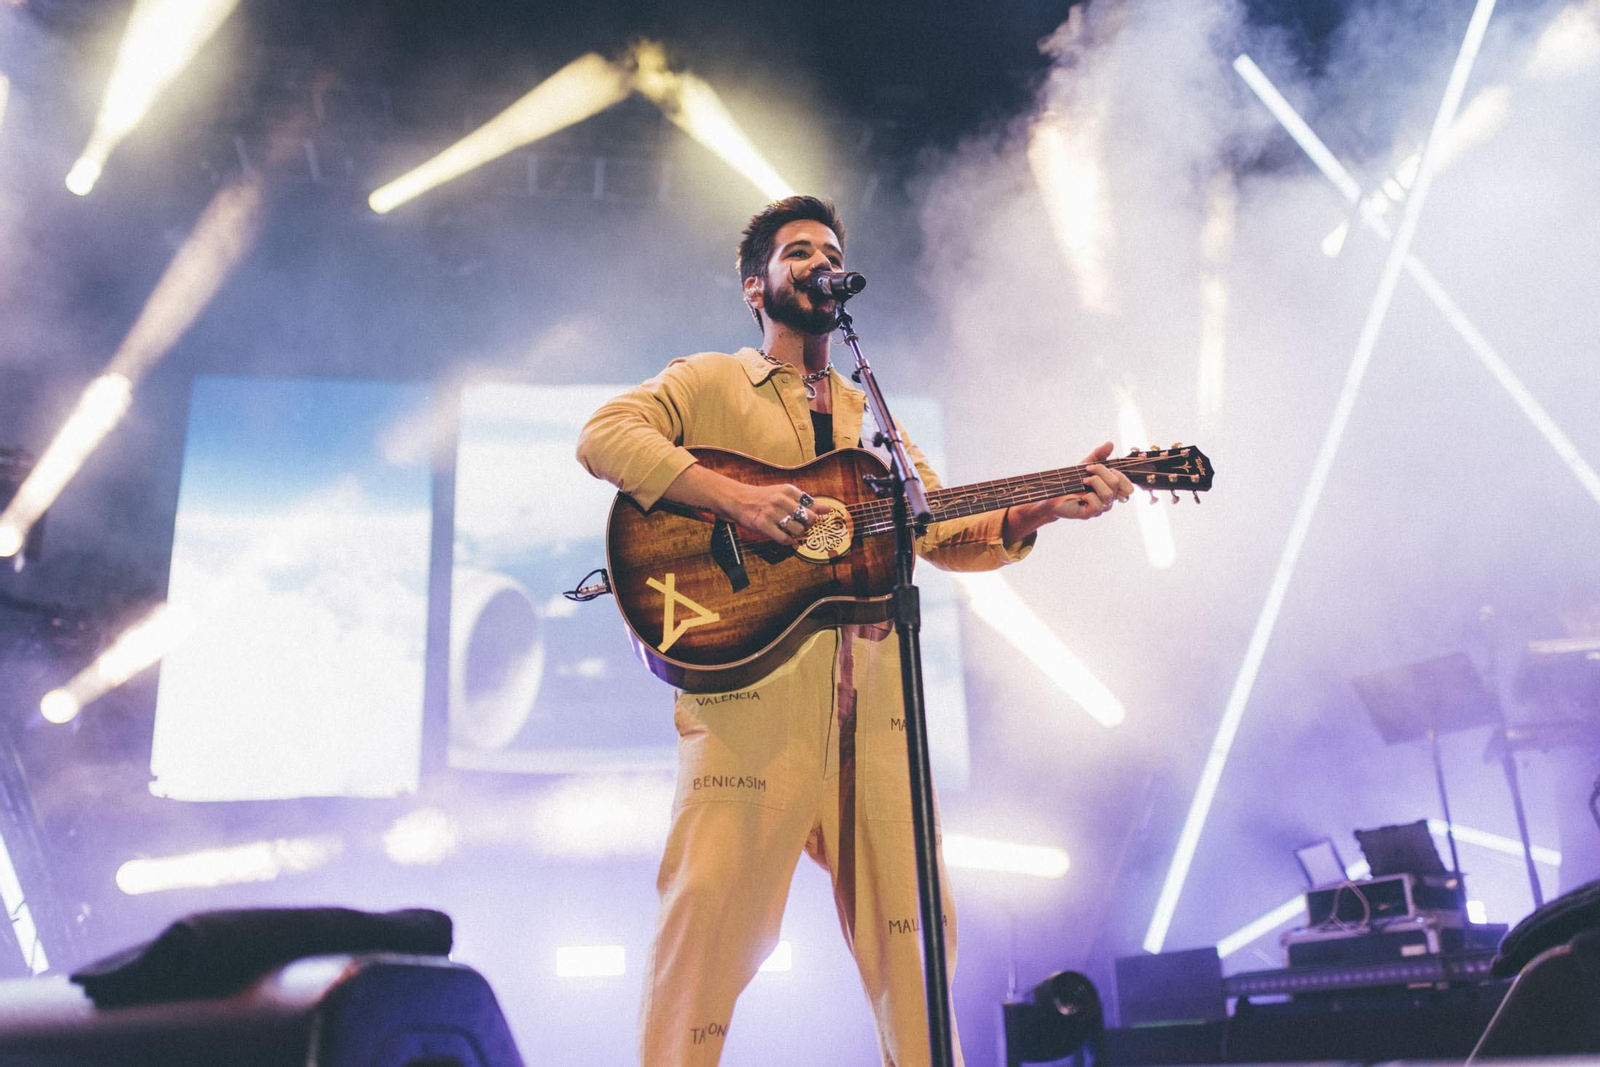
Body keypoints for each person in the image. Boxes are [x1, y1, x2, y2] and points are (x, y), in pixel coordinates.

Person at [576, 195, 1135, 1067]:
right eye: (797, 251)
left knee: (918, 941)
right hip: (748, 708)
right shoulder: (712, 381)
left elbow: (934, 523)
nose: (818, 261)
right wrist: (741, 499)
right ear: (757, 289)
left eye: (829, 251)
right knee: (707, 925)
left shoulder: (867, 416)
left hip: (875, 720)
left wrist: (1044, 506)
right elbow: (606, 435)